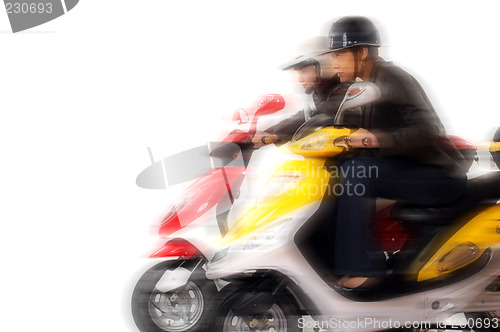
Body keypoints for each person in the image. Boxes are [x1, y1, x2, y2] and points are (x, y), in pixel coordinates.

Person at [323, 16, 468, 289]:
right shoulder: (363, 86)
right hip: (412, 171)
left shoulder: (393, 77)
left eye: (339, 54)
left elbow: (427, 129)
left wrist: (375, 139)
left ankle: (365, 269)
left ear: (362, 52)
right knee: (338, 171)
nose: (334, 62)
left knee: (357, 172)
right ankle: (331, 262)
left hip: (440, 176)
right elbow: (330, 119)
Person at [252, 37, 350, 148]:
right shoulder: (320, 95)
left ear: (323, 66)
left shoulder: (343, 92)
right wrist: (268, 132)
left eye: (304, 72)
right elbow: (301, 116)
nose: (300, 79)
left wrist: (277, 135)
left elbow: (320, 118)